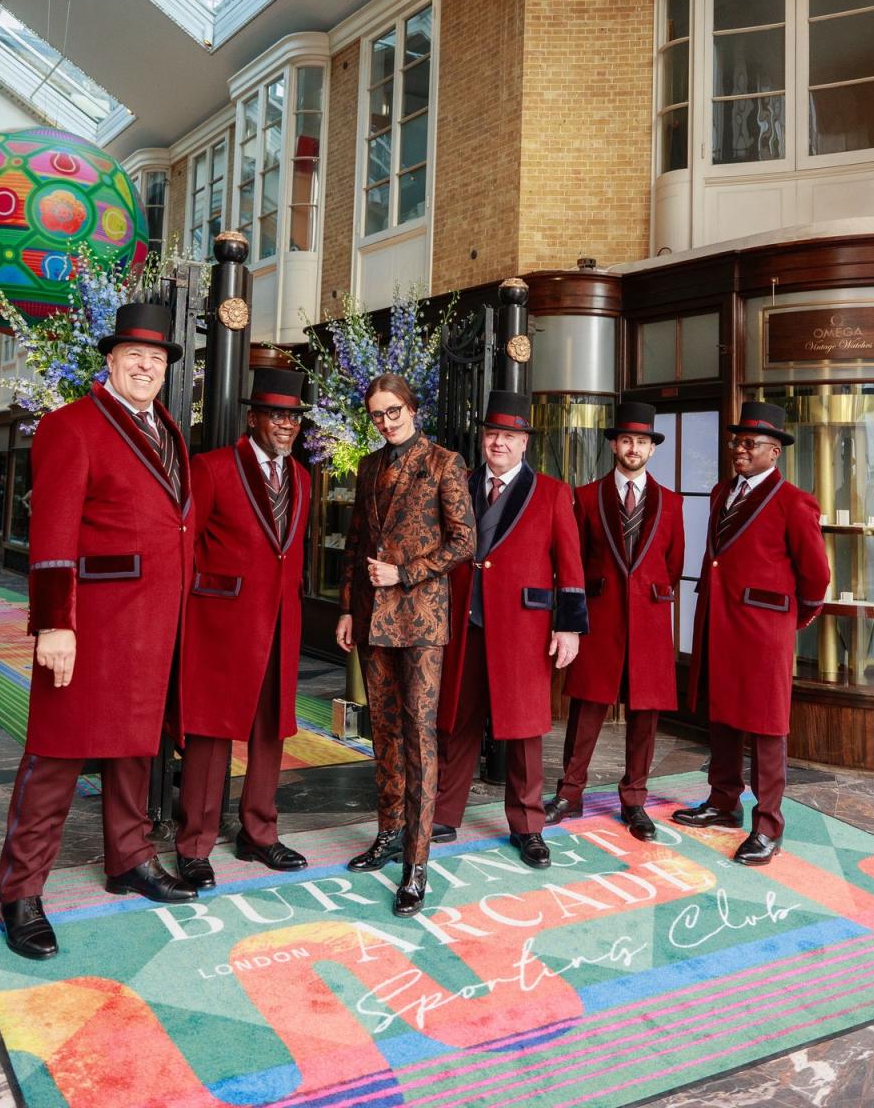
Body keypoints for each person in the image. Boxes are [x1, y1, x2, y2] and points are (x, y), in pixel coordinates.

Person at [0, 303, 197, 960]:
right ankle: (21, 893)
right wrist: (55, 622)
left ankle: (129, 861)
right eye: (134, 355)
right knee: (56, 755)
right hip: (89, 626)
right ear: (110, 361)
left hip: (152, 625)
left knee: (135, 750)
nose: (146, 366)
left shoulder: (166, 428)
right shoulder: (70, 427)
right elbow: (53, 537)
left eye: (158, 358)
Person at [337, 373, 475, 916]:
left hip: (420, 621)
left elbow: (465, 542)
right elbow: (353, 544)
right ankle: (388, 831)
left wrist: (404, 574)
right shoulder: (369, 465)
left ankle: (416, 863)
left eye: (393, 412)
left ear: (412, 409)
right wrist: (348, 605)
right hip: (372, 620)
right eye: (377, 414)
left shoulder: (444, 462)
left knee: (419, 737)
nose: (386, 422)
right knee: (385, 733)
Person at [434, 390, 587, 867]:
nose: (498, 443)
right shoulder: (458, 483)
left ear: (525, 443)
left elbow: (571, 566)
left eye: (508, 435)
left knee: (524, 730)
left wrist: (569, 628)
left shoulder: (553, 492)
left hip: (524, 627)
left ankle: (527, 825)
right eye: (492, 433)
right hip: (464, 622)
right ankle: (443, 812)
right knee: (456, 719)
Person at [672, 401, 829, 865]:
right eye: (736, 442)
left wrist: (791, 620)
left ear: (774, 452)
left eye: (749, 443)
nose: (739, 450)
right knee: (721, 715)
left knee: (765, 728)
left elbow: (816, 576)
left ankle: (768, 826)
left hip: (763, 631)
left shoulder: (794, 502)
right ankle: (723, 803)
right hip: (720, 623)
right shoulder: (724, 491)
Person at [174, 366, 311, 888]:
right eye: (276, 414)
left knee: (270, 730)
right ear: (252, 417)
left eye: (293, 417)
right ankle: (194, 844)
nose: (286, 425)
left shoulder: (302, 477)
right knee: (210, 736)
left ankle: (259, 832)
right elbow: (186, 551)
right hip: (220, 622)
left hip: (281, 621)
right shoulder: (210, 468)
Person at [545, 401, 685, 840]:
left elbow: (673, 565)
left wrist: (648, 598)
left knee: (645, 715)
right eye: (626, 440)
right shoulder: (585, 497)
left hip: (649, 621)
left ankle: (635, 800)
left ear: (651, 449)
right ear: (613, 444)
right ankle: (570, 793)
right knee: (586, 709)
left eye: (642, 442)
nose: (633, 448)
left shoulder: (673, 502)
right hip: (600, 618)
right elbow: (573, 560)